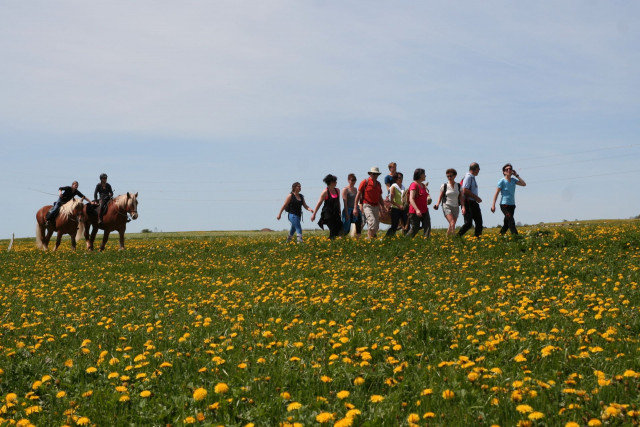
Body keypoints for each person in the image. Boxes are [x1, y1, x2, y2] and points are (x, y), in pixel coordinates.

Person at [491, 163, 527, 235]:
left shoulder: (513, 180)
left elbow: (524, 184)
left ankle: (500, 236)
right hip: (504, 205)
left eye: (510, 169)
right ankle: (516, 237)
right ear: (504, 172)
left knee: (507, 223)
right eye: (506, 169)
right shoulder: (502, 181)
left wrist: (516, 175)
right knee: (511, 221)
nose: (508, 170)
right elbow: (496, 193)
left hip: (512, 205)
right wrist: (493, 205)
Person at [354, 167, 387, 239]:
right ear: (370, 174)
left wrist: (383, 207)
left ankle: (369, 238)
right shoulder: (365, 182)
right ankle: (370, 240)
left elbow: (380, 197)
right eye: (374, 174)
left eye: (377, 174)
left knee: (376, 226)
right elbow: (358, 195)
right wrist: (355, 208)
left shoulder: (378, 184)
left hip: (376, 206)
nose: (375, 175)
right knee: (372, 222)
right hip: (367, 205)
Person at [434, 168, 464, 236]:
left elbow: (461, 198)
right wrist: (437, 204)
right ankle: (454, 237)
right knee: (452, 222)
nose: (449, 177)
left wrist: (463, 207)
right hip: (446, 205)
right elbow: (440, 197)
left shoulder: (459, 186)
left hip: (456, 206)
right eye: (448, 176)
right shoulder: (444, 186)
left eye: (451, 176)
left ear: (455, 176)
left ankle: (447, 238)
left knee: (452, 224)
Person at [311, 174, 342, 239]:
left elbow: (338, 202)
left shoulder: (337, 190)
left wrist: (339, 211)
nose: (336, 183)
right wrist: (314, 214)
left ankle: (337, 243)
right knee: (333, 230)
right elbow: (319, 203)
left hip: (336, 213)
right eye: (335, 181)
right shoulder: (325, 192)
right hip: (327, 214)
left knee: (340, 228)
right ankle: (330, 243)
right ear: (331, 182)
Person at [458, 162, 483, 237]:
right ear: (476, 169)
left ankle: (477, 238)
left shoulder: (471, 177)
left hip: (472, 202)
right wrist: (477, 198)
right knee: (469, 223)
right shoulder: (468, 177)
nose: (479, 171)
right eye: (478, 169)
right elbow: (465, 190)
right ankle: (457, 236)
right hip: (469, 202)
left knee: (478, 222)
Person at [407, 168, 431, 238]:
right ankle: (405, 240)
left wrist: (429, 197)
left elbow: (426, 194)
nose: (425, 176)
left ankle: (426, 241)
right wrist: (417, 210)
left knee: (427, 226)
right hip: (415, 211)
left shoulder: (423, 185)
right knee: (415, 228)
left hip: (424, 210)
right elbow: (411, 199)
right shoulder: (414, 185)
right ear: (420, 175)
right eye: (424, 174)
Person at [385, 172, 408, 237]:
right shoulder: (393, 187)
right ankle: (387, 238)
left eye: (401, 178)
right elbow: (391, 200)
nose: (401, 179)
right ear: (395, 179)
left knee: (406, 223)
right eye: (399, 178)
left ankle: (406, 238)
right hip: (395, 208)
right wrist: (398, 205)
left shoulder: (403, 187)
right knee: (394, 225)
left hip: (403, 208)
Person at [341, 173, 362, 239]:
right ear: (348, 180)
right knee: (346, 228)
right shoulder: (345, 189)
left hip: (355, 209)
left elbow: (358, 199)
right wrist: (347, 214)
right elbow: (345, 202)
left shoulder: (356, 189)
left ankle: (357, 241)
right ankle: (340, 239)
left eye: (354, 180)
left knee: (359, 223)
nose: (353, 182)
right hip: (348, 209)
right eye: (352, 180)